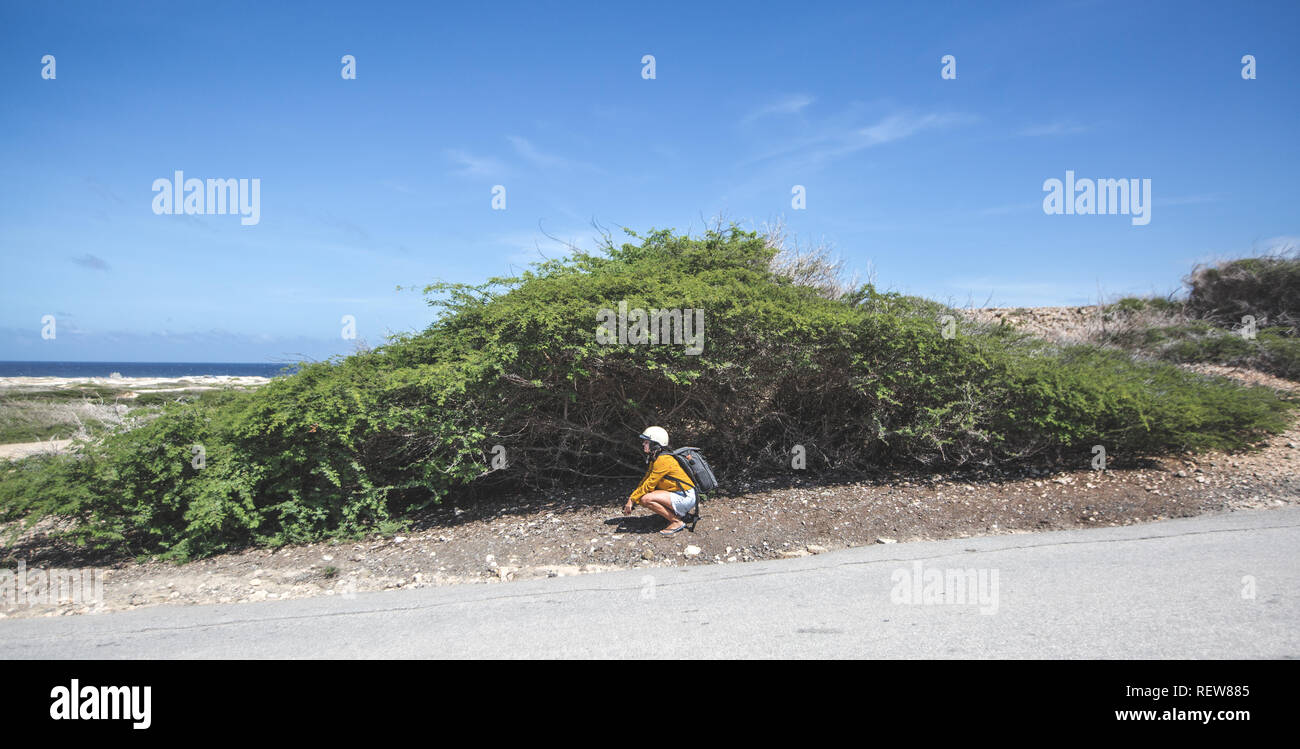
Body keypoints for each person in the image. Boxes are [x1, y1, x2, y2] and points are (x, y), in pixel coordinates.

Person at [623, 426, 697, 535]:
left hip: (685, 496)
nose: (643, 444)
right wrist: (632, 498)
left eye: (646, 442)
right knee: (645, 495)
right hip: (681, 493)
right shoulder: (656, 458)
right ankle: (680, 514)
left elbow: (649, 485)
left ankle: (676, 521)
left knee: (646, 499)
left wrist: (632, 499)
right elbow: (645, 480)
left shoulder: (663, 460)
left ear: (655, 444)